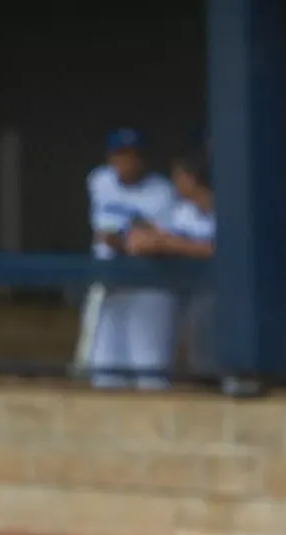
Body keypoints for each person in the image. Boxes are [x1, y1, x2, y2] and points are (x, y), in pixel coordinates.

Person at [84, 127, 178, 390]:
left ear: (142, 159)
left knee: (149, 370)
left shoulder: (161, 191)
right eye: (118, 155)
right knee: (103, 368)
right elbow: (103, 232)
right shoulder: (99, 180)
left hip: (147, 286)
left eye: (130, 155)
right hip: (109, 284)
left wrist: (126, 240)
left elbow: (161, 241)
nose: (124, 162)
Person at [127, 148, 218, 379]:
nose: (174, 182)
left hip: (220, 293)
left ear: (191, 178)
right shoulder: (181, 210)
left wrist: (174, 244)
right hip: (186, 292)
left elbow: (224, 251)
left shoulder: (224, 209)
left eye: (178, 176)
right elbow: (137, 242)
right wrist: (160, 241)